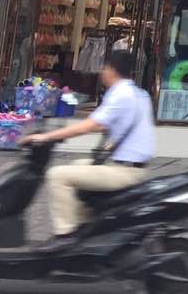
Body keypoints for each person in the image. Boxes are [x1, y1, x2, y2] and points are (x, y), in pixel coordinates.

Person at [22, 51, 155, 238]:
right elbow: (104, 125)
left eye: (104, 68)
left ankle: (65, 237)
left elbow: (89, 125)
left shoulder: (121, 94)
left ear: (112, 70)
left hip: (124, 171)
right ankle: (86, 227)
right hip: (132, 166)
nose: (102, 72)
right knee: (77, 165)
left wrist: (45, 137)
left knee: (57, 175)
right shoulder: (140, 94)